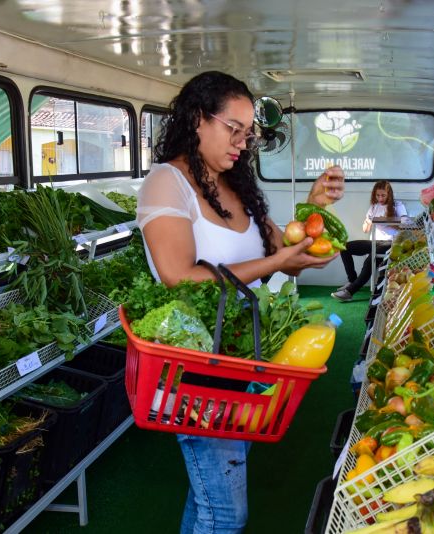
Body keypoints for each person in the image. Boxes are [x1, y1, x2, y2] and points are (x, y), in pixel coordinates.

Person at [135, 71, 345, 534]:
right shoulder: (165, 184)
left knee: (209, 496)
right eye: (233, 129)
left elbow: (285, 257)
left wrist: (315, 210)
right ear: (196, 120)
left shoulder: (238, 185)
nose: (242, 143)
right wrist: (275, 264)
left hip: (245, 359)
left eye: (248, 134)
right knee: (227, 513)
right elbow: (178, 278)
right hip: (196, 371)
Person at [331, 180, 406, 302]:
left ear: (389, 195)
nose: (380, 198)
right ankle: (352, 280)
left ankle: (350, 292)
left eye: (383, 195)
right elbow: (365, 230)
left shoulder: (398, 206)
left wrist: (386, 220)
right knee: (345, 247)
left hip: (390, 243)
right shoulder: (374, 207)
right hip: (374, 242)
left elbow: (405, 224)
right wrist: (368, 221)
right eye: (377, 195)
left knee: (370, 260)